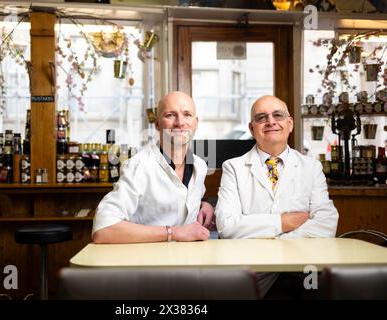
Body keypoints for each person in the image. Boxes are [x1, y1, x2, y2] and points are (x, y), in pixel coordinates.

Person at [215, 95, 339, 298]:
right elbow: (227, 225)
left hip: (302, 268)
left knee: (313, 291)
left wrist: (275, 243)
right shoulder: (233, 167)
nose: (270, 122)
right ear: (252, 128)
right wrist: (283, 221)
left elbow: (326, 222)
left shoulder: (311, 167)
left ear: (289, 124)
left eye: (277, 115)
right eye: (261, 117)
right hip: (252, 272)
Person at [92, 91, 214, 244]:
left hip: (187, 261)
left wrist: (204, 204)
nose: (180, 122)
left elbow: (180, 198)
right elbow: (102, 229)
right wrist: (173, 233)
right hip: (148, 262)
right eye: (170, 115)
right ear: (157, 124)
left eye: (187, 114)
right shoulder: (139, 166)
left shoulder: (199, 166)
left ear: (196, 123)